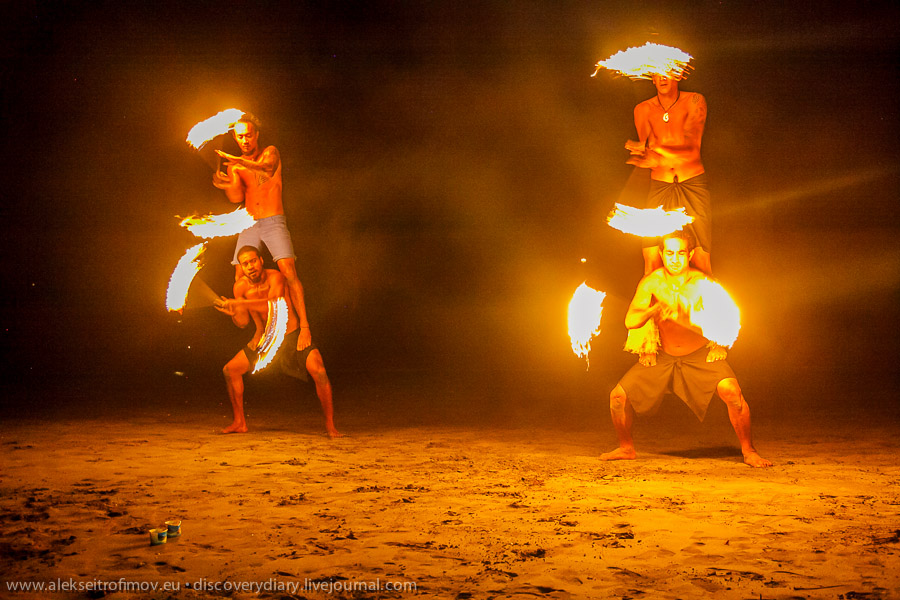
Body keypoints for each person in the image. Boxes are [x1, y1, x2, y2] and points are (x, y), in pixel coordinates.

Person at [600, 231, 771, 468]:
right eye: (669, 253)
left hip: (699, 355)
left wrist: (710, 337)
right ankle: (626, 448)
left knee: (732, 392)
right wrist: (654, 310)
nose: (675, 259)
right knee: (617, 397)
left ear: (689, 255)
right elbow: (630, 321)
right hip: (664, 356)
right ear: (661, 254)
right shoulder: (652, 282)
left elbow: (726, 319)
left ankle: (749, 451)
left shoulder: (702, 283)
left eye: (680, 253)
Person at [214, 246, 342, 438]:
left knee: (320, 371)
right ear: (241, 267)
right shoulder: (240, 287)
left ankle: (330, 426)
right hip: (267, 339)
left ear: (261, 261)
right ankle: (240, 422)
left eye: (253, 261)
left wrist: (239, 303)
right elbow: (243, 322)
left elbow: (273, 302)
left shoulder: (276, 277)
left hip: (291, 336)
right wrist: (233, 313)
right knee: (229, 370)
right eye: (245, 264)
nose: (250, 266)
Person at [212, 113, 311, 352]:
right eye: (239, 137)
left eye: (248, 135)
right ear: (235, 138)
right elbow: (236, 197)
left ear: (256, 135)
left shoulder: (270, 152)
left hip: (273, 220)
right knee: (240, 277)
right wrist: (226, 183)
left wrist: (238, 162)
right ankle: (258, 328)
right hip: (249, 222)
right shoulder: (236, 164)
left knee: (288, 271)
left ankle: (305, 326)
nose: (244, 140)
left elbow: (267, 169)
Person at [625, 72, 712, 276]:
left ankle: (704, 297)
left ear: (679, 74)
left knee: (700, 259)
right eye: (658, 74)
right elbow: (647, 151)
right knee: (652, 257)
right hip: (660, 187)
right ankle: (652, 298)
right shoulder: (642, 109)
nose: (663, 78)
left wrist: (657, 153)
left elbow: (692, 147)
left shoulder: (694, 100)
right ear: (652, 78)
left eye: (668, 72)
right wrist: (644, 155)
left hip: (692, 185)